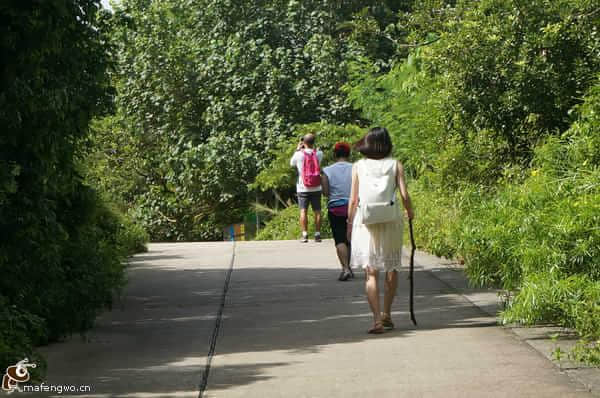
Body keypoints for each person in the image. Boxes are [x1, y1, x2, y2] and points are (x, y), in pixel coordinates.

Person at [346, 127, 415, 334]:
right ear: (387, 144)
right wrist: (410, 212)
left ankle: (376, 320)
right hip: (391, 220)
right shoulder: (395, 164)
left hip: (366, 221)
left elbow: (353, 199)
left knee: (371, 272)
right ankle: (387, 314)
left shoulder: (358, 166)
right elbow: (404, 194)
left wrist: (349, 223)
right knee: (391, 267)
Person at [322, 142, 354, 281]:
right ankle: (349, 267)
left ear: (334, 154)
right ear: (349, 154)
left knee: (339, 239)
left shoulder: (327, 170)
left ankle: (345, 268)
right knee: (350, 238)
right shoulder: (356, 168)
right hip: (353, 207)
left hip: (335, 208)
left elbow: (325, 192)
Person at [290, 133, 324, 243]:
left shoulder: (299, 155)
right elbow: (319, 160)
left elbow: (292, 164)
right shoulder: (319, 153)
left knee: (303, 211)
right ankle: (318, 234)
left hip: (302, 187)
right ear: (314, 142)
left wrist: (297, 149)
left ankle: (304, 235)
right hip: (316, 187)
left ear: (303, 142)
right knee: (317, 211)